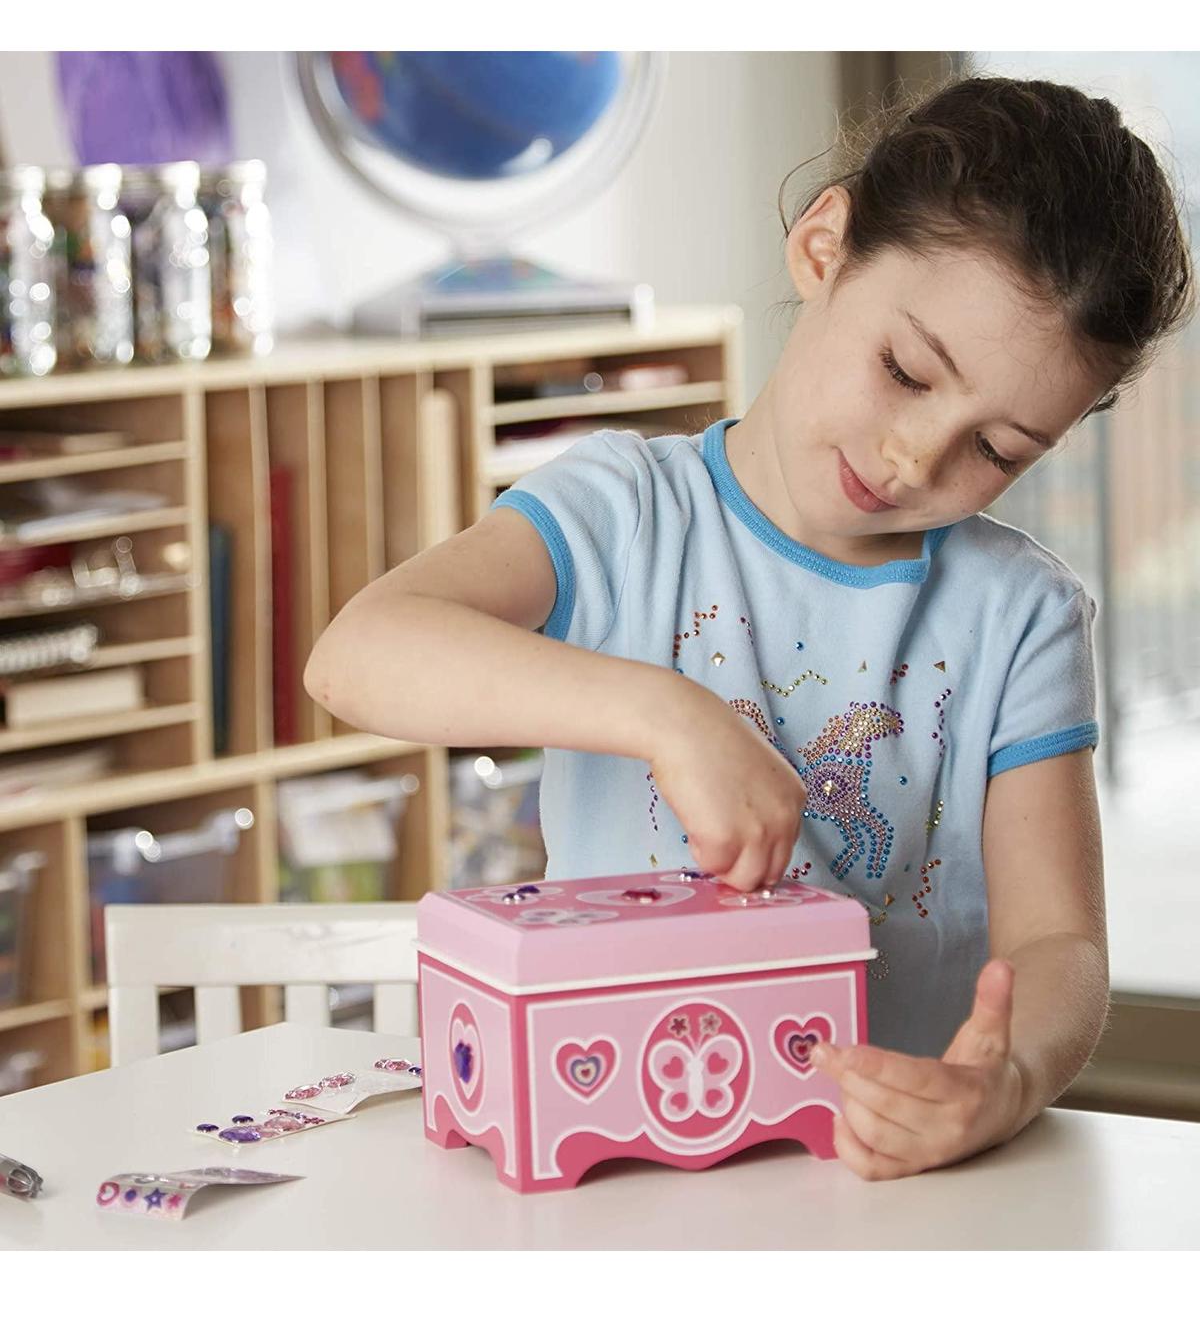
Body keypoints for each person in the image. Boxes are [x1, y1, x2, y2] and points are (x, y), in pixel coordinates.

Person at [305, 69, 1194, 1180]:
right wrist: (665, 714)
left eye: (997, 450)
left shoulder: (1020, 617)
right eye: (906, 371)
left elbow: (1058, 941)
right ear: (825, 247)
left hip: (879, 1181)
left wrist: (1006, 1079)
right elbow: (357, 655)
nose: (917, 457)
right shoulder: (625, 514)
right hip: (614, 1162)